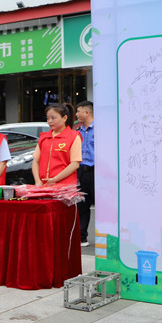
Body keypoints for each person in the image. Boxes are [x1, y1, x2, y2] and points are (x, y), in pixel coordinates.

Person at [32, 103, 81, 187]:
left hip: (65, 186)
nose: (50, 121)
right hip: (43, 185)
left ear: (64, 118)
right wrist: (37, 181)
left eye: (53, 118)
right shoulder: (44, 137)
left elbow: (75, 164)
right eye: (48, 118)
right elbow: (36, 160)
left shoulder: (74, 137)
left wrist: (55, 179)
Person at [75, 100, 95, 246]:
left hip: (97, 172)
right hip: (81, 171)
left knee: (102, 205)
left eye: (78, 111)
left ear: (86, 112)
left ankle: (106, 237)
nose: (76, 114)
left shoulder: (101, 129)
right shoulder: (78, 132)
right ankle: (82, 237)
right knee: (82, 205)